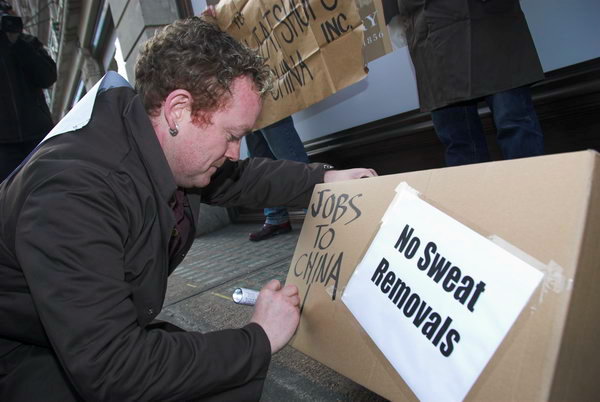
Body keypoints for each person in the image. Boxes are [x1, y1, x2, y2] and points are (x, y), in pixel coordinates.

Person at [0, 17, 376, 401]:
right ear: (178, 109)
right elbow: (113, 370)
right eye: (232, 136)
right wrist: (259, 337)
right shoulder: (74, 195)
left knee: (220, 378)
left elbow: (244, 177)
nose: (235, 152)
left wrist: (324, 180)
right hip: (21, 356)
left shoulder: (155, 141)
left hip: (76, 336)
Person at [389, 0, 545, 166]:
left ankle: (529, 191)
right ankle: (472, 192)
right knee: (460, 143)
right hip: (428, 26)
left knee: (514, 125)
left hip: (490, 19)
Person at [0, 0, 57, 182]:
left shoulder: (25, 42)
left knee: (54, 189)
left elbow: (48, 76)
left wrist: (17, 43)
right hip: (4, 148)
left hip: (39, 137)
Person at [246, 116, 311, 241]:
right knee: (260, 161)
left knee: (291, 158)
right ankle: (276, 218)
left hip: (265, 98)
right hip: (243, 100)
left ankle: (319, 216)